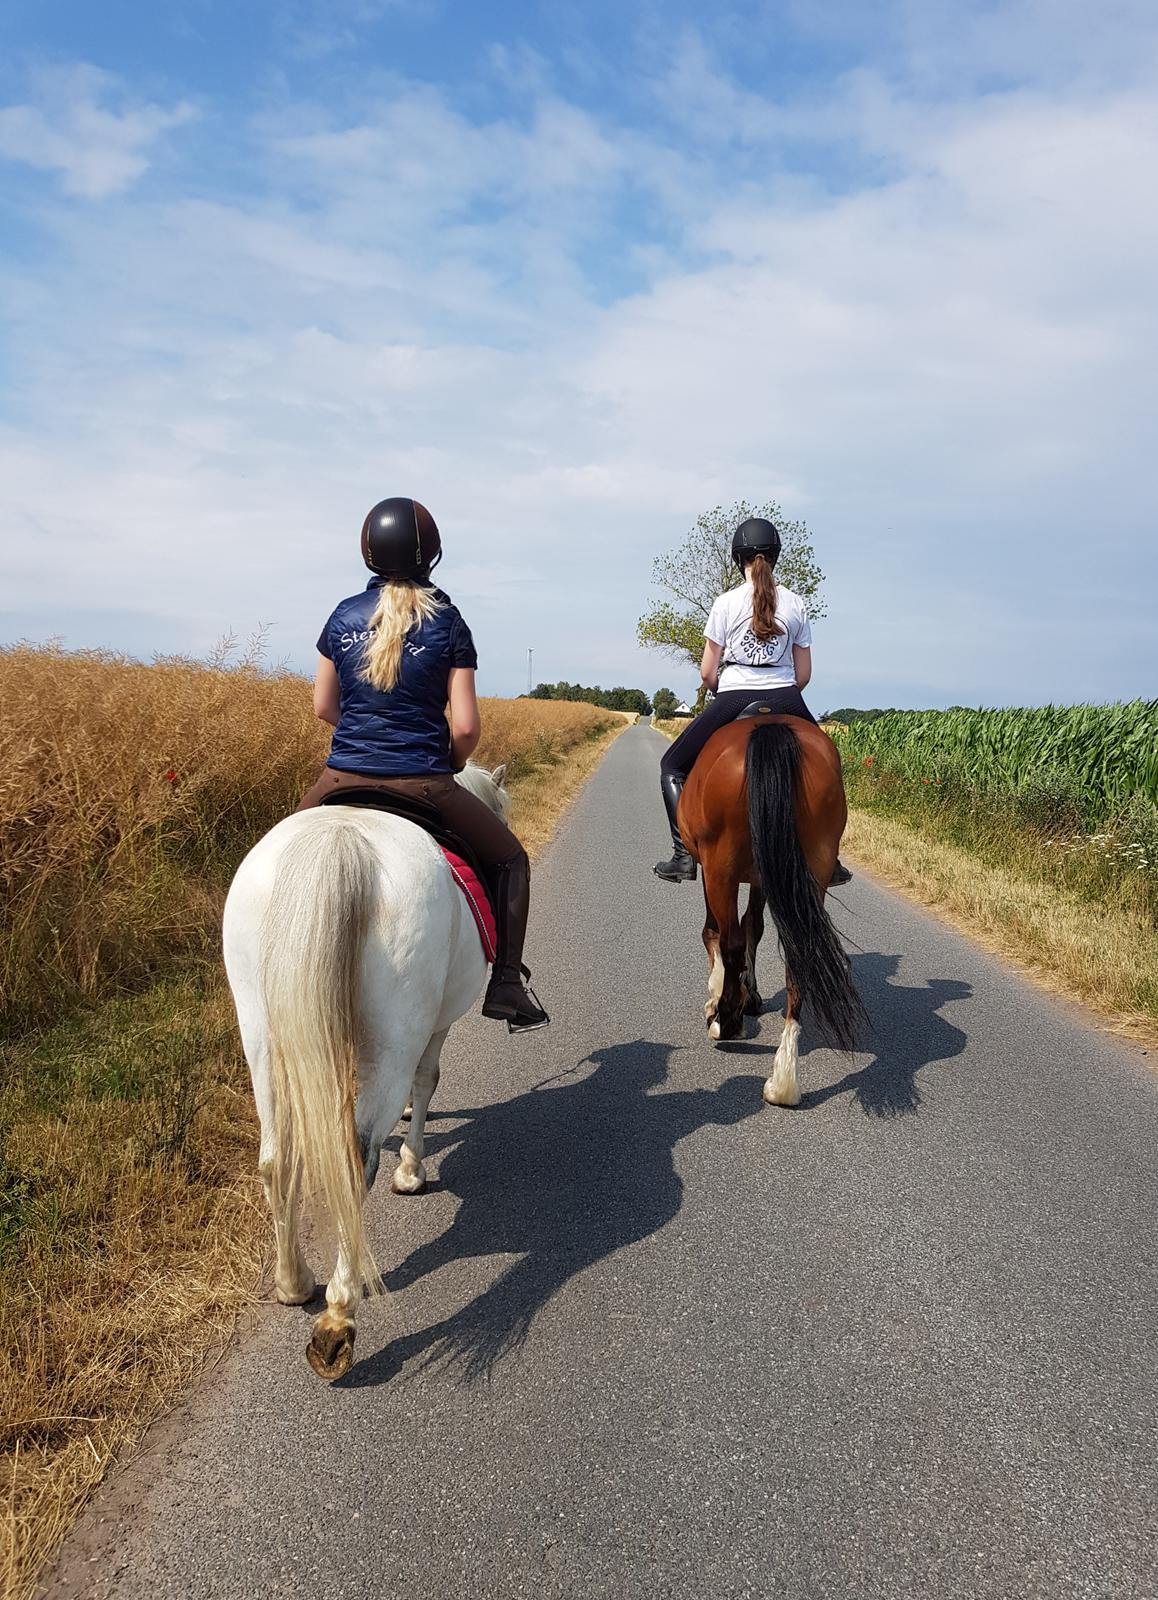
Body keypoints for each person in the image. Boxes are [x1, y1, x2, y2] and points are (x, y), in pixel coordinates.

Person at [298, 497, 549, 1032]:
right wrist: (445, 763)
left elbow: (323, 706)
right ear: (431, 555)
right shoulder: (449, 622)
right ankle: (506, 984)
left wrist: (363, 740)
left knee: (280, 862)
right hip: (425, 783)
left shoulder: (342, 616)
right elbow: (465, 728)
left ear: (366, 552)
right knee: (511, 861)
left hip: (339, 777)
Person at [654, 516, 852, 887]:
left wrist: (723, 693)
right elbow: (803, 673)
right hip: (787, 696)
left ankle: (683, 855)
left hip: (734, 696)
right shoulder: (796, 603)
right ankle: (831, 856)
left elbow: (707, 672)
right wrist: (781, 693)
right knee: (829, 765)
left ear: (737, 557)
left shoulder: (725, 603)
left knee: (671, 764)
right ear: (775, 556)